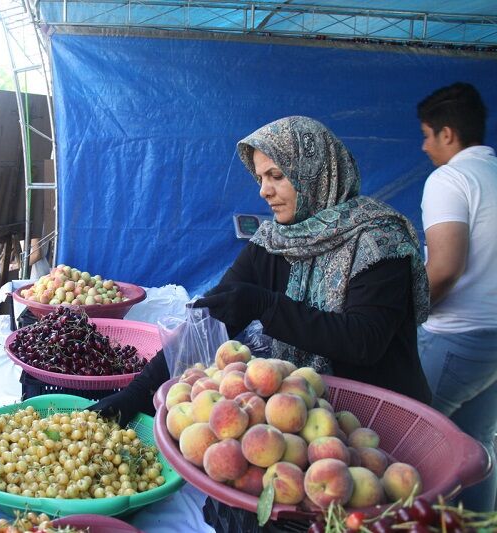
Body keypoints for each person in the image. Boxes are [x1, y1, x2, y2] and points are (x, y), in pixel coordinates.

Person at [93, 116, 431, 530]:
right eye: (259, 177)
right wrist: (133, 396)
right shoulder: (274, 241)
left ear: (315, 174)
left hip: (375, 434)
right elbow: (209, 320)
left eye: (276, 175)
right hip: (296, 435)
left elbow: (364, 341)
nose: (263, 190)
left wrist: (265, 305)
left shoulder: (379, 241)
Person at [416, 82, 497, 512]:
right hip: (493, 342)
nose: (425, 146)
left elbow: (445, 267)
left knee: (410, 444)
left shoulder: (451, 178)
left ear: (448, 133)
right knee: (476, 447)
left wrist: (405, 313)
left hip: (457, 337)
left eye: (428, 134)